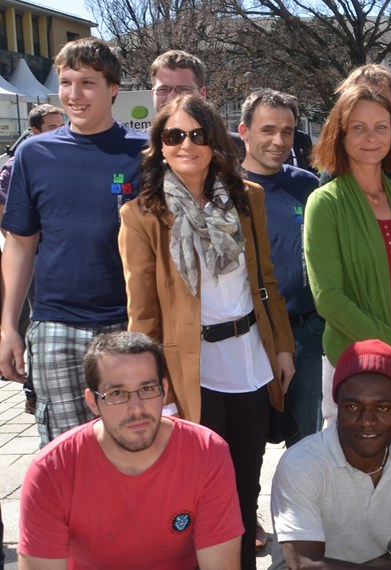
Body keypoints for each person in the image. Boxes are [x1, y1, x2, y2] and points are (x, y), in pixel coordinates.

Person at [118, 94, 296, 568]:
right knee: (197, 490)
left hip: (251, 360)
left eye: (198, 135)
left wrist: (281, 348)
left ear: (216, 142)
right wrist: (158, 389)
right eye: (174, 135)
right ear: (159, 145)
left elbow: (266, 281)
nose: (187, 144)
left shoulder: (246, 198)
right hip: (189, 370)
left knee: (244, 484)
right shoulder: (141, 216)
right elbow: (144, 316)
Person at [0, 37, 148, 445]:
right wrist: (8, 326)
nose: (74, 95)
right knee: (64, 451)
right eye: (66, 83)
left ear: (113, 88)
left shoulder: (144, 153)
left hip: (126, 323)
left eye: (87, 83)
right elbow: (19, 244)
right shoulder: (34, 153)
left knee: (128, 443)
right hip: (54, 326)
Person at [305, 83, 391, 476]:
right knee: (353, 483)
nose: (372, 138)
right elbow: (329, 298)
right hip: (355, 368)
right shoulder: (325, 203)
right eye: (359, 127)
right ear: (340, 134)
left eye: (381, 127)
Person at [18, 331, 243, 568]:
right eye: (117, 394)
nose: (136, 409)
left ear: (164, 390)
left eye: (147, 389)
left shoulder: (207, 452)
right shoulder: (52, 470)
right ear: (92, 402)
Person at [271, 339, 391, 570]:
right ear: (338, 407)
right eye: (353, 407)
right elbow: (305, 563)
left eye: (383, 407)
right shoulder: (302, 463)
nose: (367, 421)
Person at [238, 88, 322, 447]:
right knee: (247, 442)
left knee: (306, 446)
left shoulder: (306, 185)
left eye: (287, 131)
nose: (278, 141)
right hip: (249, 336)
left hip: (305, 331)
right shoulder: (226, 189)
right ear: (244, 131)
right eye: (268, 130)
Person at [0, 103, 65, 416]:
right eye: (52, 127)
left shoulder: (63, 157)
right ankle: (33, 391)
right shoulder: (16, 166)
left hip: (61, 259)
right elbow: (6, 217)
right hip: (38, 261)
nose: (60, 129)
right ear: (35, 131)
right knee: (39, 324)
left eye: (61, 123)